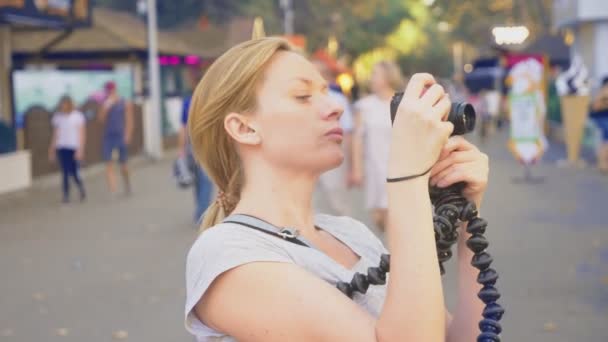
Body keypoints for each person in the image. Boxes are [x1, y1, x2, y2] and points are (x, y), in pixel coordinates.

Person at [185, 38, 489, 341]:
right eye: (303, 96)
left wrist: (465, 218)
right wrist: (407, 176)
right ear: (245, 128)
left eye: (325, 92)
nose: (334, 108)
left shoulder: (351, 234)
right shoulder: (226, 255)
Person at [351, 61, 404, 231]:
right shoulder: (364, 106)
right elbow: (357, 139)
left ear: (387, 77)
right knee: (378, 218)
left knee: (393, 217)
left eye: (375, 74)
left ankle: (396, 254)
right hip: (373, 168)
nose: (371, 78)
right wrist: (357, 169)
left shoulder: (403, 104)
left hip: (397, 168)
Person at [311, 56, 354, 216]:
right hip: (308, 157)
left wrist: (350, 166)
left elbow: (348, 132)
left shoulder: (337, 99)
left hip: (331, 158)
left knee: (338, 203)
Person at [178, 88, 214, 224]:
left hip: (192, 145)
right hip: (207, 143)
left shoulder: (188, 102)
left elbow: (183, 127)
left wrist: (181, 149)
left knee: (198, 180)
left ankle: (200, 211)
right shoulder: (210, 100)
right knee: (205, 180)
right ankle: (202, 214)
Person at [48, 95, 86, 203]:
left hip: (73, 147)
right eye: (61, 104)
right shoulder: (57, 117)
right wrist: (52, 149)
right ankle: (66, 195)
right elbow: (55, 134)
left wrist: (80, 149)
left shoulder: (78, 116)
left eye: (65, 104)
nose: (63, 106)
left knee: (73, 173)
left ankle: (81, 188)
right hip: (62, 147)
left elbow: (82, 134)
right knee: (64, 172)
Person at [99, 81, 134, 195]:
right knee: (108, 163)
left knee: (123, 164)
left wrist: (127, 135)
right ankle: (113, 190)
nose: (109, 92)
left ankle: (127, 184)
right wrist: (107, 105)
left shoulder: (124, 102)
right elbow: (101, 119)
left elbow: (129, 120)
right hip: (109, 136)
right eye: (108, 90)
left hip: (120, 136)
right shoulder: (105, 104)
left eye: (111, 90)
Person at [590, 76, 608, 173]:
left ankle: (603, 163)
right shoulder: (602, 93)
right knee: (606, 139)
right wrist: (604, 101)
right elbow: (595, 107)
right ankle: (603, 163)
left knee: (606, 139)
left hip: (605, 118)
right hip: (601, 117)